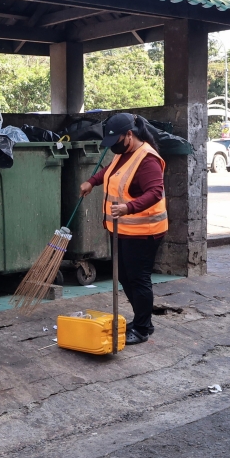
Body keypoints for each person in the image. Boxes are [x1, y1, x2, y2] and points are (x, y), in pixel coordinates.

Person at [79, 113, 167, 345]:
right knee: (127, 278)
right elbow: (109, 171)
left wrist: (129, 208)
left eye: (116, 141)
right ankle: (141, 320)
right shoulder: (124, 154)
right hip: (121, 230)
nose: (113, 148)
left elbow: (155, 192)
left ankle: (142, 328)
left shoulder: (147, 159)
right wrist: (92, 181)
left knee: (138, 279)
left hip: (143, 232)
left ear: (129, 135)